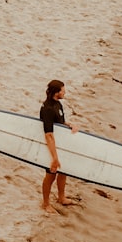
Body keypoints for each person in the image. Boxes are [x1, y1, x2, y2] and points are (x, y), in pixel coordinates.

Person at [40, 79, 78, 211]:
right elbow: (48, 134)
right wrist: (54, 158)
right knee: (51, 175)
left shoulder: (58, 104)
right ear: (56, 92)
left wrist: (70, 124)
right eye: (63, 90)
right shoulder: (48, 109)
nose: (65, 92)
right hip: (49, 146)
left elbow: (60, 122)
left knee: (64, 171)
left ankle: (61, 198)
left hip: (60, 143)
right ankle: (45, 204)